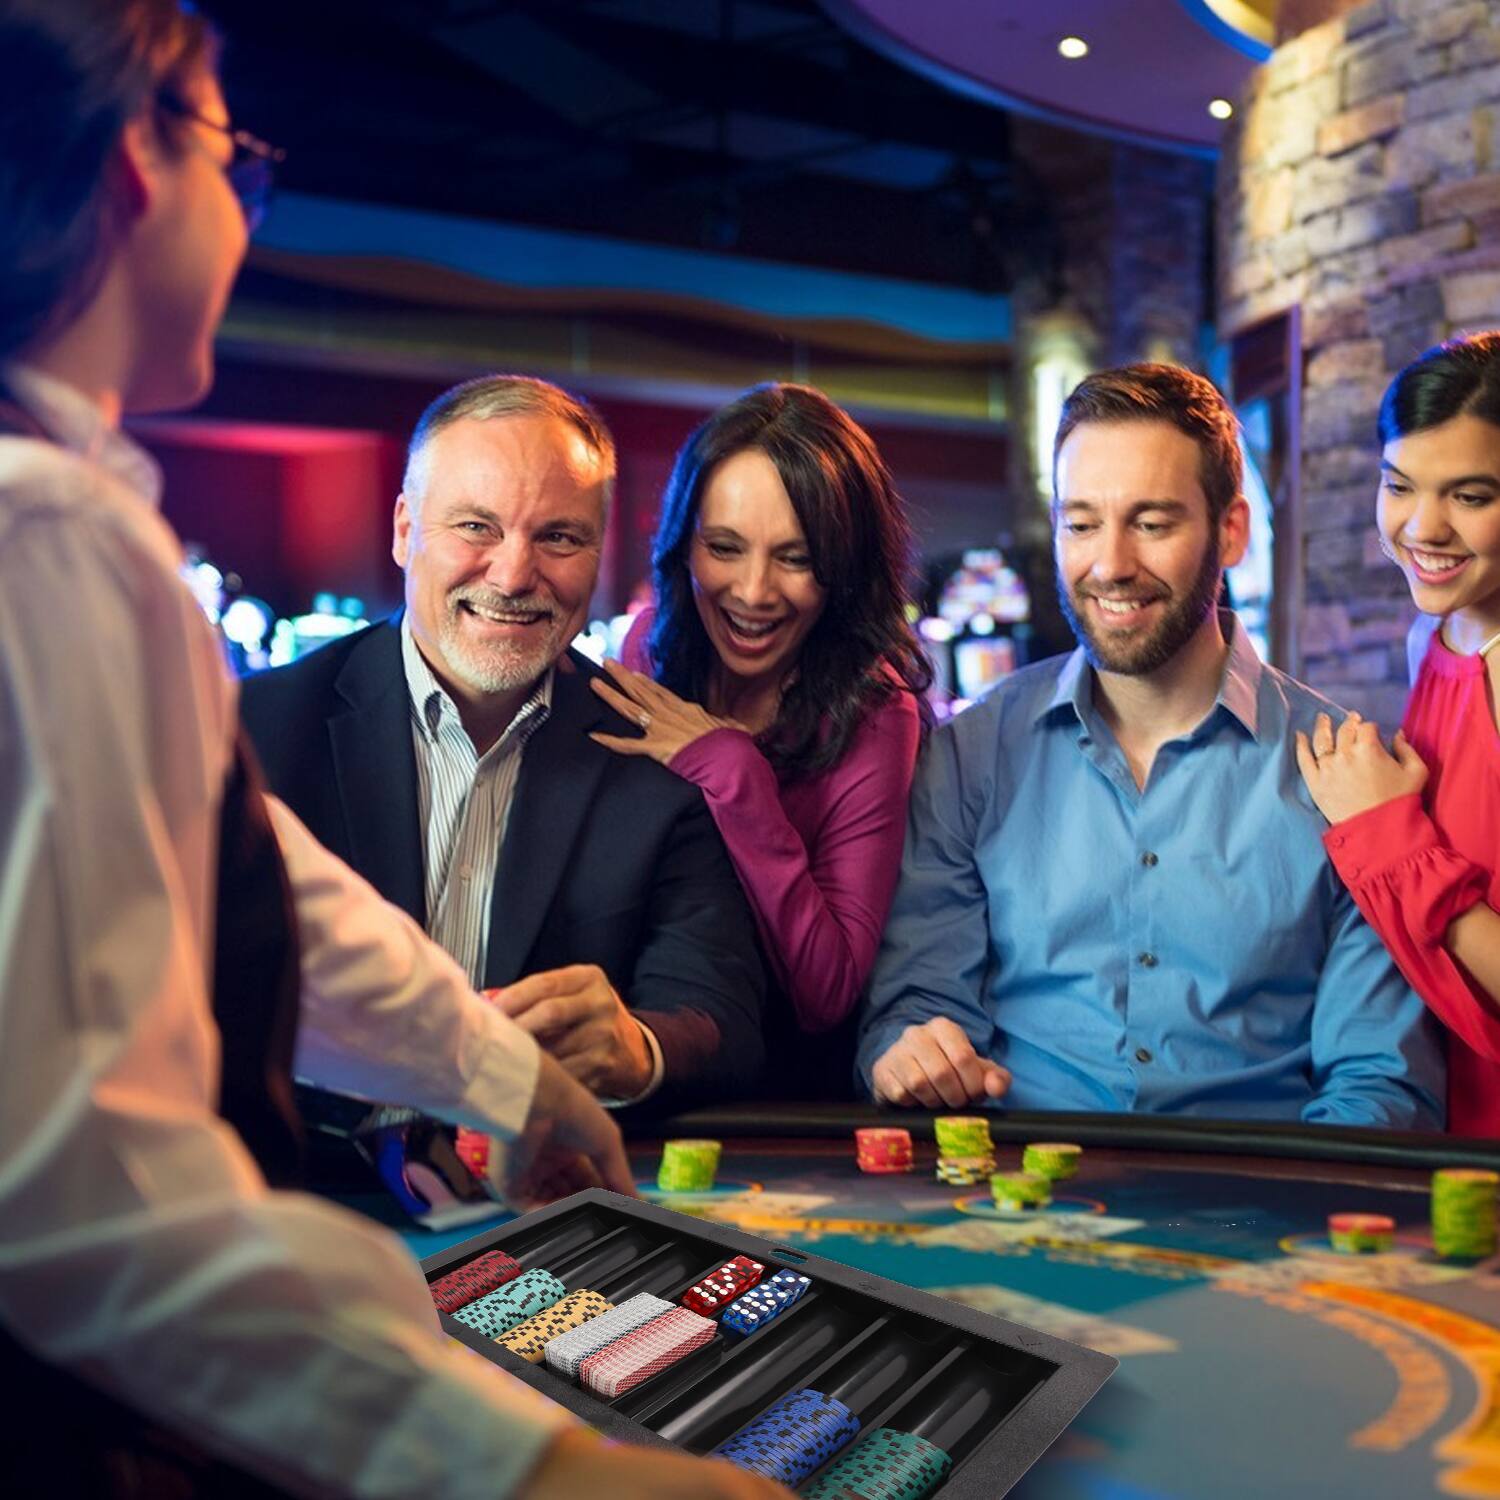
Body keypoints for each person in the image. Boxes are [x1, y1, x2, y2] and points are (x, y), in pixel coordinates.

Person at [0, 4, 789, 1497]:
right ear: (133, 168)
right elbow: (79, 1192)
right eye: (235, 149)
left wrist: (511, 1078)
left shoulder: (61, 510)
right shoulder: (46, 530)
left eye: (561, 538)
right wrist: (531, 1472)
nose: (249, 203)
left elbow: (263, 891)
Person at [858, 363, 1444, 1127]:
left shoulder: (1344, 770)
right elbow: (918, 1008)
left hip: (1264, 1186)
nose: (1110, 565)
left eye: (1152, 523)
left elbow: (1379, 1084)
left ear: (1231, 531)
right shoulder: (970, 752)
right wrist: (909, 1052)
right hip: (1016, 1180)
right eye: (1082, 524)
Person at [242, 375, 767, 1113]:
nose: (515, 575)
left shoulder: (652, 759)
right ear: (404, 530)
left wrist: (635, 1047)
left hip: (538, 1174)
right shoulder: (253, 732)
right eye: (475, 526)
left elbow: (721, 1019)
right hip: (302, 1176)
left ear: (598, 553)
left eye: (559, 537)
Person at [596, 382, 929, 1096]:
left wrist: (733, 771)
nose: (753, 591)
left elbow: (827, 992)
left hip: (791, 1100)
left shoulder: (875, 709)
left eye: (796, 558)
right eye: (724, 548)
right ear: (683, 545)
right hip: (652, 1058)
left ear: (845, 567)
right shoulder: (649, 647)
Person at [1297, 333, 1500, 1138]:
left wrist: (1390, 835)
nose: (1423, 527)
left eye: (1471, 496)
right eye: (1399, 486)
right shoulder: (1437, 637)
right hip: (1448, 1101)